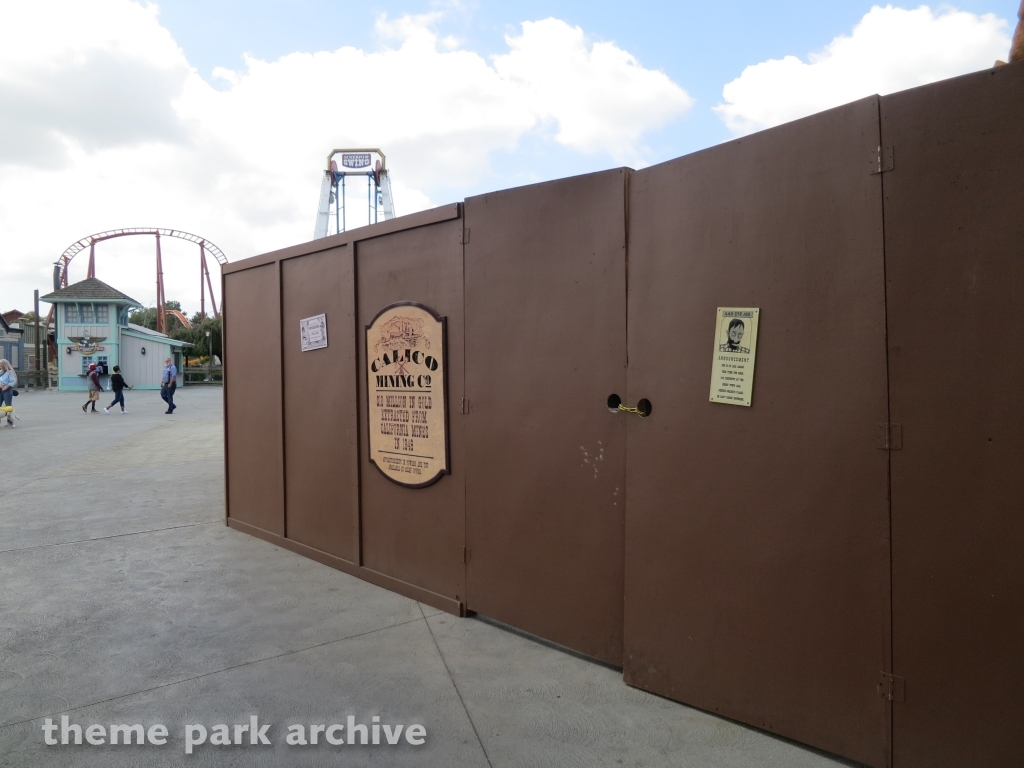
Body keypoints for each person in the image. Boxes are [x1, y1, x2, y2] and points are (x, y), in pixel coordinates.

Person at [0, 359, 16, 428]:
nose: (0, 365)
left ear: (4, 365)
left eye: (1, 364)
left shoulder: (10, 372)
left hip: (7, 390)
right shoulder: (1, 372)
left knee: (8, 405)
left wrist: (7, 386)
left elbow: (13, 381)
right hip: (0, 389)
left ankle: (10, 422)